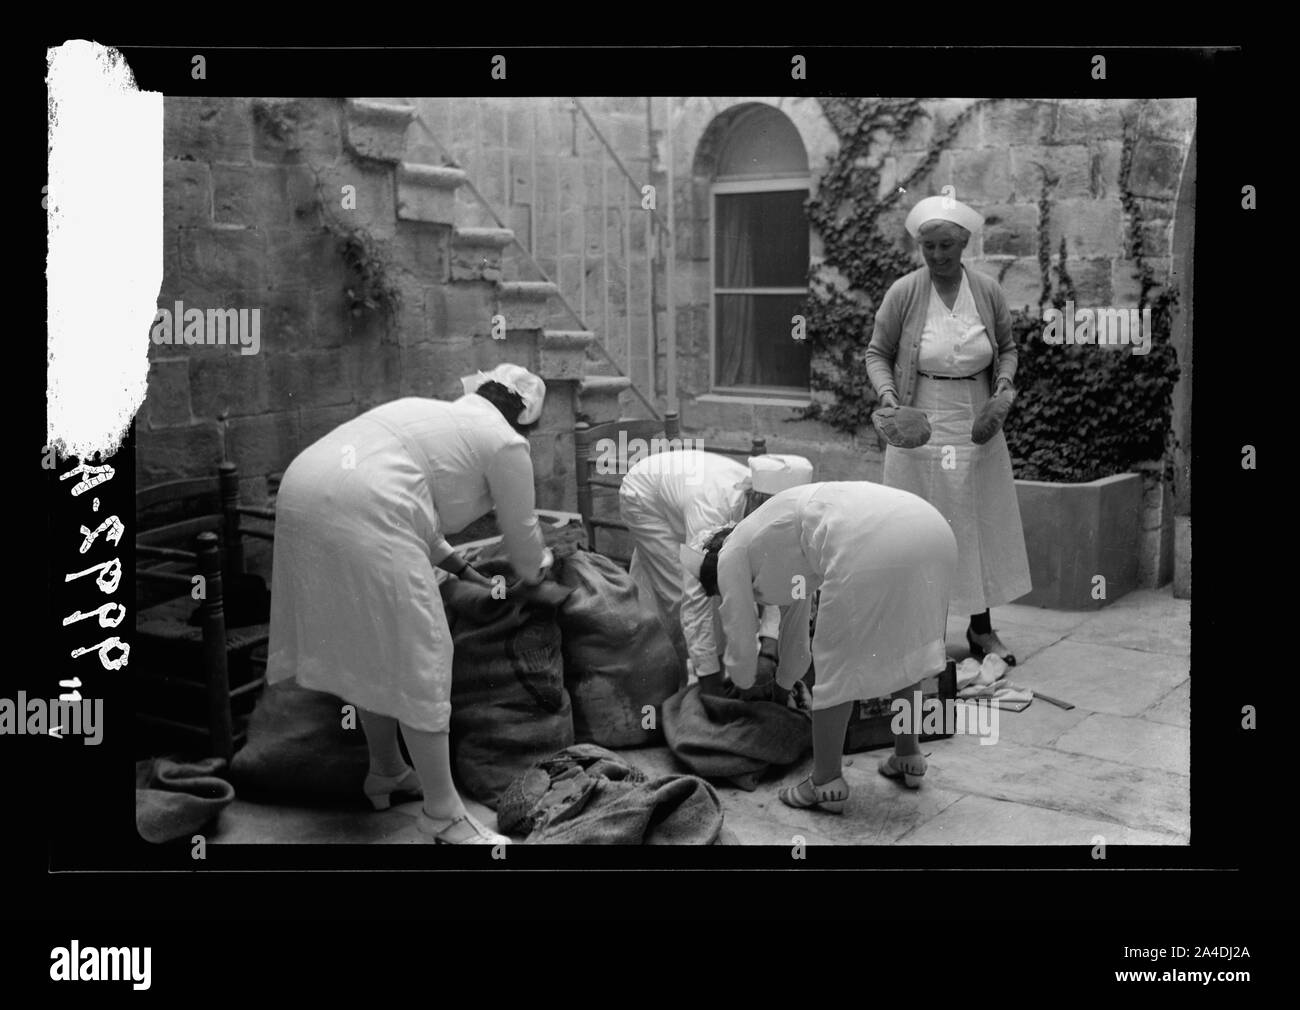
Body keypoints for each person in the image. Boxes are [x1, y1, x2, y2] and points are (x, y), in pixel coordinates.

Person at [266, 363, 554, 845]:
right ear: (524, 419)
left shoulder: (425, 413)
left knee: (369, 645)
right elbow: (523, 538)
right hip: (362, 509)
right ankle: (443, 814)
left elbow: (409, 499)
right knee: (424, 651)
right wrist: (540, 570)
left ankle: (388, 771)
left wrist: (462, 570)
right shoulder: (507, 443)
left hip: (303, 496)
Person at [684, 481, 957, 813]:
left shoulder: (731, 553)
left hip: (870, 542)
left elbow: (739, 628)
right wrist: (782, 687)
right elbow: (796, 637)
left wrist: (741, 685)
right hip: (932, 530)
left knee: (835, 664)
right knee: (906, 648)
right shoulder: (777, 545)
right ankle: (908, 756)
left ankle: (826, 781)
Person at [865, 195, 1032, 664]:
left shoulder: (987, 291)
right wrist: (890, 400)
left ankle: (981, 631)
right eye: (928, 247)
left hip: (976, 415)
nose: (937, 256)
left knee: (977, 521)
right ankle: (926, 635)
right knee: (922, 525)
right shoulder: (903, 292)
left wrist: (1002, 385)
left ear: (963, 245)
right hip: (920, 415)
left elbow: (1009, 347)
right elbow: (876, 352)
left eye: (945, 246)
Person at [619, 452, 813, 697]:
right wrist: (713, 690)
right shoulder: (712, 511)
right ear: (753, 498)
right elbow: (695, 597)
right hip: (644, 496)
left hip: (681, 493)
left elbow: (778, 579)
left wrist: (769, 649)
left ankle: (717, 672)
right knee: (678, 593)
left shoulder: (794, 522)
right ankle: (697, 684)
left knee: (720, 594)